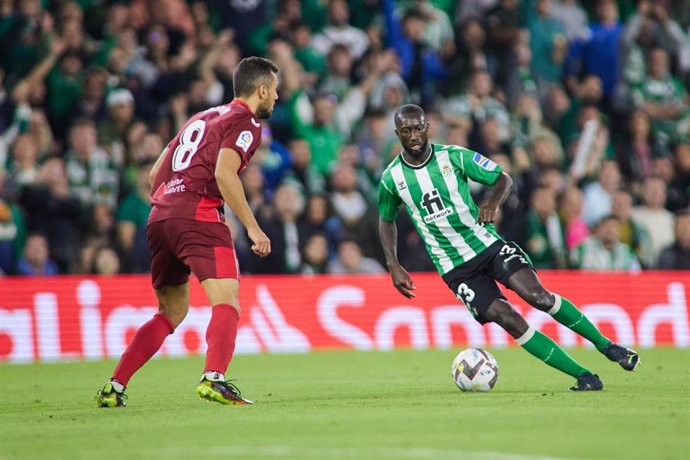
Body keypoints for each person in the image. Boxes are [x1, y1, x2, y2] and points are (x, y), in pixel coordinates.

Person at [378, 104, 640, 392]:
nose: (414, 135)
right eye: (406, 131)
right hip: (455, 268)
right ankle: (583, 375)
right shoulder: (392, 179)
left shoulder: (453, 156)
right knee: (509, 319)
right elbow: (386, 219)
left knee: (538, 296)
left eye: (418, 128)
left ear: (427, 127)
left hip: (487, 244)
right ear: (397, 134)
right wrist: (393, 262)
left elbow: (503, 178)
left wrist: (492, 202)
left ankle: (608, 347)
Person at [96, 56, 279, 407]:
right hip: (198, 215)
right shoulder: (247, 121)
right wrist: (254, 229)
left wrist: (172, 203)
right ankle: (215, 378)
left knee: (171, 311)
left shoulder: (202, 117)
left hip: (161, 215)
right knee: (226, 299)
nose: (276, 98)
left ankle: (115, 385)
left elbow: (154, 175)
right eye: (275, 91)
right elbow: (226, 174)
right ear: (262, 89)